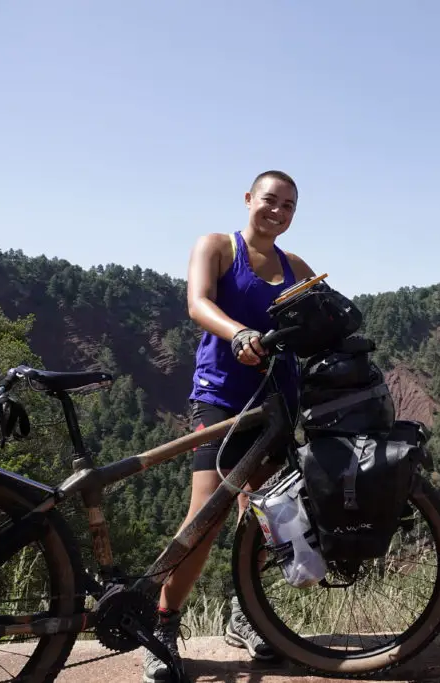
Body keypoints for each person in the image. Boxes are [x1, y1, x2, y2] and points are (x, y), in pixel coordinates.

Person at [142, 169, 317, 683]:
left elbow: (321, 318)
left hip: (277, 403)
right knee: (207, 516)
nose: (277, 211)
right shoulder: (218, 247)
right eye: (269, 200)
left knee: (260, 519)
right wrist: (240, 331)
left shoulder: (296, 266)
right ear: (248, 199)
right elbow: (198, 303)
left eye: (288, 205)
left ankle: (248, 616)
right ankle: (162, 624)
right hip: (222, 398)